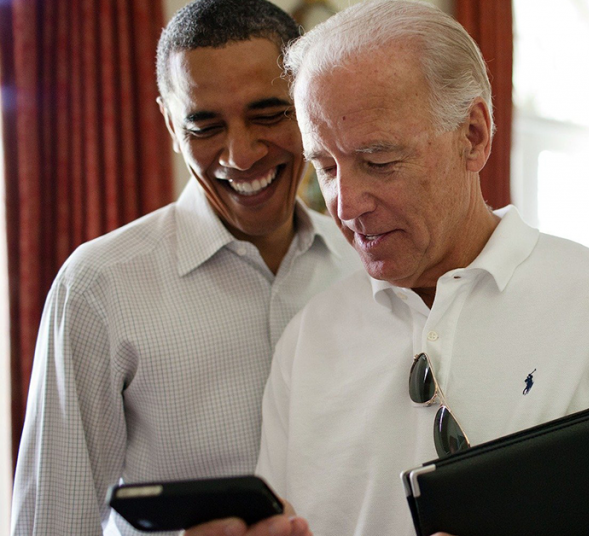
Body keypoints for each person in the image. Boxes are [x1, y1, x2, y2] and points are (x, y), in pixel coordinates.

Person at [189, 1, 589, 535]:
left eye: (378, 160)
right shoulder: (307, 341)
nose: (345, 204)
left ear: (474, 136)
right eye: (327, 167)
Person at [10, 1, 360, 534]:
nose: (241, 155)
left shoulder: (368, 263)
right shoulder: (98, 288)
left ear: (309, 104)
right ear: (171, 124)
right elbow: (50, 525)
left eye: (268, 115)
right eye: (204, 125)